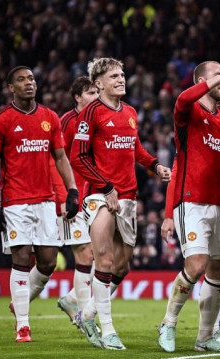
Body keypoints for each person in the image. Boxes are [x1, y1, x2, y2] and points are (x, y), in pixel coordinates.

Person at [70, 57, 171, 350]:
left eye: (122, 74)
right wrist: (105, 187)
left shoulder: (129, 111)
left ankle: (87, 314)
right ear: (98, 83)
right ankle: (108, 330)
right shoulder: (90, 113)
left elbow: (134, 147)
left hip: (127, 196)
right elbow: (79, 156)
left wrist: (154, 165)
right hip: (99, 195)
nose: (121, 79)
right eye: (114, 75)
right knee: (103, 258)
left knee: (122, 266)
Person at [0, 66, 79, 342]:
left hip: (46, 201)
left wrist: (71, 190)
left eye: (32, 78)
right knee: (21, 258)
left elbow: (60, 157)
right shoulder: (0, 120)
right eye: (22, 80)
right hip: (15, 202)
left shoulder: (49, 117)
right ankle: (23, 326)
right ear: (11, 87)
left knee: (48, 262)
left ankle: (19, 302)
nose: (29, 83)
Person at [155, 62, 220, 353]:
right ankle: (168, 323)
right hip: (191, 201)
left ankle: (205, 335)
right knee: (196, 265)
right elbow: (182, 99)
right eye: (218, 76)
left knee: (218, 269)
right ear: (202, 80)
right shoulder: (189, 112)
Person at [55, 77, 99, 328]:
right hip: (73, 197)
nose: (95, 96)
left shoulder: (98, 117)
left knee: (105, 256)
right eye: (90, 92)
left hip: (95, 195)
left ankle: (72, 299)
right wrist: (64, 195)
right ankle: (86, 317)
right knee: (85, 253)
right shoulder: (67, 122)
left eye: (97, 91)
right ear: (77, 97)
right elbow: (56, 159)